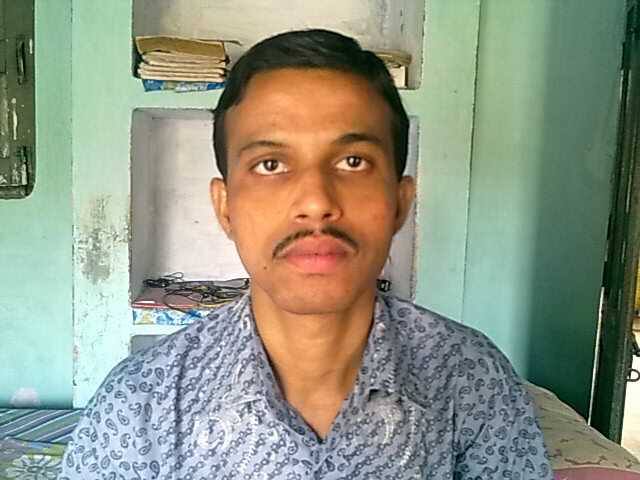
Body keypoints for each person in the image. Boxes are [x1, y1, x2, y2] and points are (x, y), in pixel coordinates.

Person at [60, 29, 552, 479]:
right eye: (270, 164)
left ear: (400, 203)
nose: (316, 201)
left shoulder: (471, 379)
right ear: (226, 207)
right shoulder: (140, 402)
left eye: (353, 161)